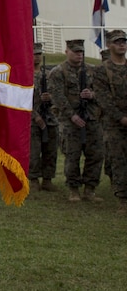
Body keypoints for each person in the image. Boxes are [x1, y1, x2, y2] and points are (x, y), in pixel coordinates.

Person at [48, 38, 104, 202]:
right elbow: (57, 97)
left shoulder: (93, 71)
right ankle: (73, 189)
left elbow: (104, 94)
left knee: (96, 154)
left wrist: (92, 95)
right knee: (72, 155)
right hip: (70, 121)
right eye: (75, 52)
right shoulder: (58, 72)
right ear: (67, 52)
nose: (79, 55)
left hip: (92, 119)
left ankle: (90, 189)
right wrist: (72, 115)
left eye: (81, 52)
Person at [93, 28, 127, 214]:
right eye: (117, 41)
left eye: (123, 41)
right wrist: (121, 118)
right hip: (114, 124)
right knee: (118, 160)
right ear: (109, 45)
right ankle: (123, 199)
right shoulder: (101, 70)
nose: (121, 44)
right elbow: (103, 98)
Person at [29, 42, 59, 191]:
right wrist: (35, 116)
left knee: (50, 150)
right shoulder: (24, 74)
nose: (37, 57)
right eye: (34, 54)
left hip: (49, 117)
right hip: (32, 118)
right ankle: (33, 178)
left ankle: (47, 179)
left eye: (39, 54)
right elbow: (21, 99)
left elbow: (58, 94)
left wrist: (50, 98)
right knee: (34, 150)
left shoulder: (48, 75)